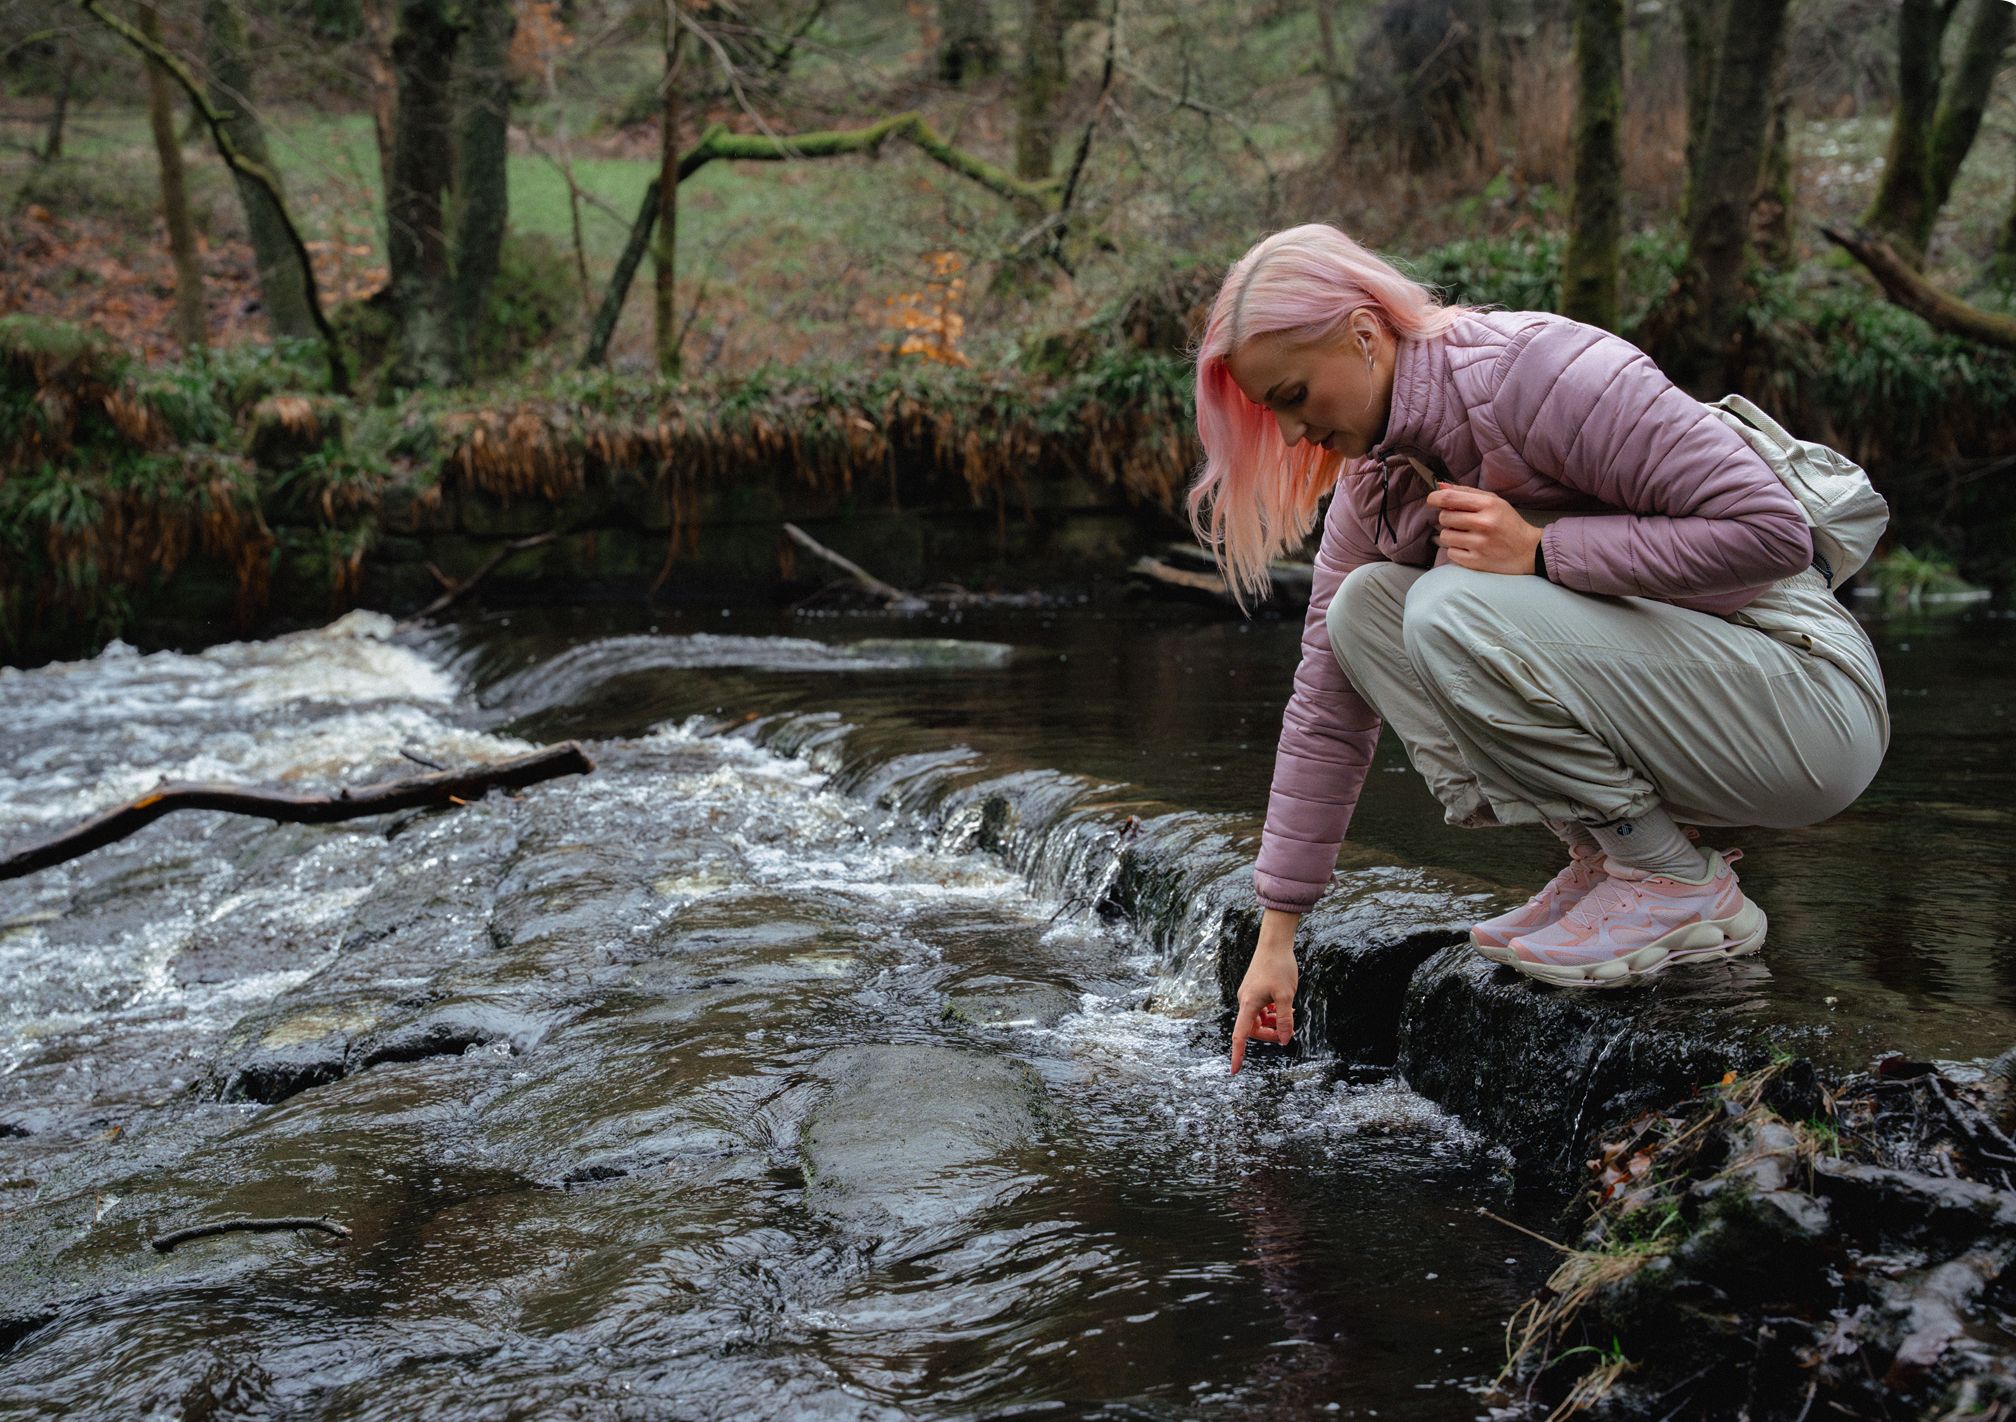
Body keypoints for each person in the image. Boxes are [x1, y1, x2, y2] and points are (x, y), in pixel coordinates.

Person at [1185, 224, 1890, 1073]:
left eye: (1296, 396)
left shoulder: (1538, 372)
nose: (1294, 435)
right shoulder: (1378, 483)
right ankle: (1609, 854)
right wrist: (1278, 935)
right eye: (1277, 412)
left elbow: (1775, 534)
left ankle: (1674, 882)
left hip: (1805, 696)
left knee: (1449, 606)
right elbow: (1326, 710)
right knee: (1367, 609)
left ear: (1365, 336)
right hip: (1709, 704)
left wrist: (1545, 551)